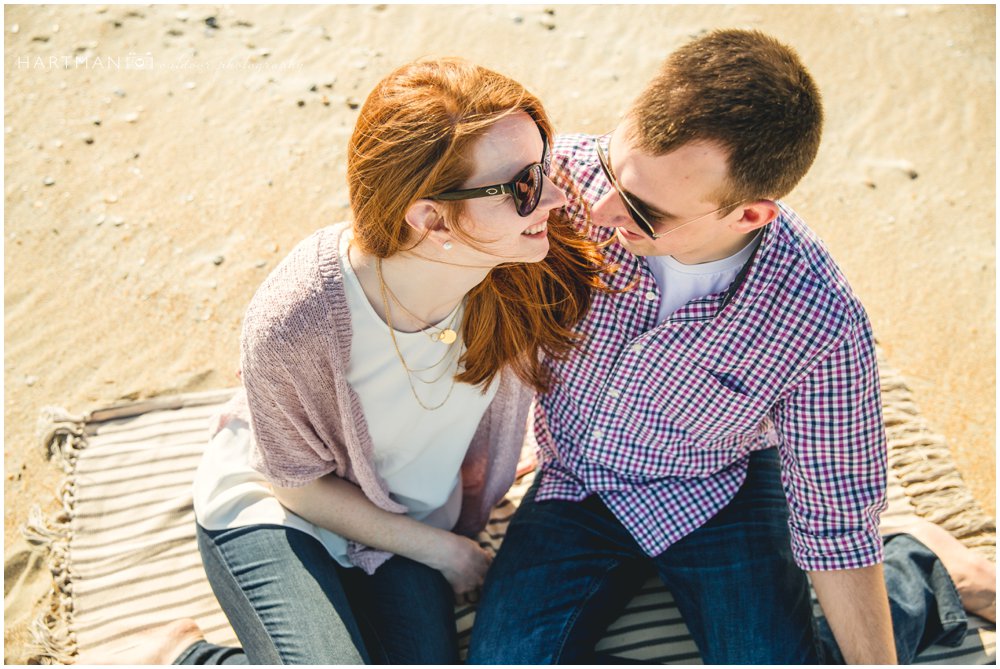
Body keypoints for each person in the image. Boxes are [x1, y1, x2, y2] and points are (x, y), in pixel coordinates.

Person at [467, 29, 996, 665]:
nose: (601, 211)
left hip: (721, 489)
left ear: (749, 215)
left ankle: (920, 569)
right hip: (575, 480)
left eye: (643, 209)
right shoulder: (559, 186)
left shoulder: (820, 322)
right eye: (612, 166)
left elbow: (837, 526)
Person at [167, 57, 603, 665]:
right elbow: (293, 481)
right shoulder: (297, 317)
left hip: (402, 510)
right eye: (525, 184)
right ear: (431, 218)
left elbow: (653, 180)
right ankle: (190, 656)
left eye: (546, 164)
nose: (555, 196)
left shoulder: (525, 266)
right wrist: (445, 551)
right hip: (282, 506)